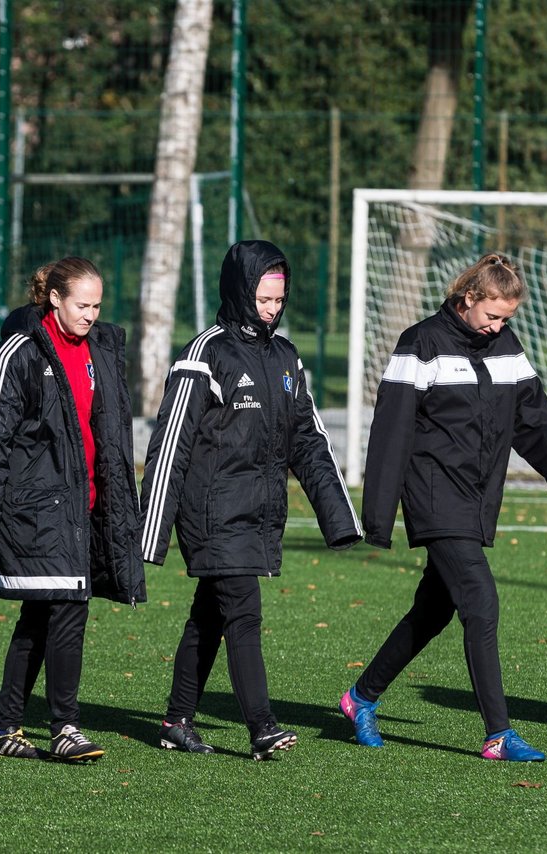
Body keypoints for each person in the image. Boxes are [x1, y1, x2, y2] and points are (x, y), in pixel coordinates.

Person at [340, 253, 547, 763]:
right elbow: (391, 432)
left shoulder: (507, 347)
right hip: (433, 494)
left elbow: (533, 423)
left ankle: (359, 697)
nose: (498, 326)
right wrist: (378, 517)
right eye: (493, 315)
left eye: (506, 319)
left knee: (434, 609)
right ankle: (497, 734)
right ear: (467, 298)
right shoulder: (421, 342)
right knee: (480, 598)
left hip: (477, 499)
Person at [140, 240, 362, 761]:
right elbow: (170, 442)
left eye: (279, 300)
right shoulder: (205, 352)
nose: (272, 309)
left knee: (209, 616)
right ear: (241, 291)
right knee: (243, 610)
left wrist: (339, 518)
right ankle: (262, 727)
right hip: (212, 511)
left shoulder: (286, 356)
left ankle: (176, 719)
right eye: (263, 299)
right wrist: (152, 530)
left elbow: (307, 439)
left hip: (258, 513)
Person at [0, 256, 146, 763]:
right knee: (67, 613)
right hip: (35, 512)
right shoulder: (18, 353)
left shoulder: (101, 349)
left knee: (40, 618)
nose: (90, 314)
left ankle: (6, 728)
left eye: (98, 305)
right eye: (81, 304)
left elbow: (110, 434)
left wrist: (121, 508)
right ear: (55, 299)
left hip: (84, 510)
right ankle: (65, 727)